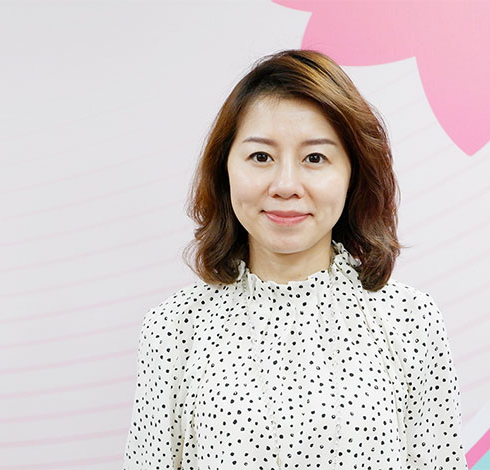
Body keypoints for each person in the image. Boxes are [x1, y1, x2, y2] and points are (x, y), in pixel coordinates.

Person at [123, 49, 467, 470]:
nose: (286, 185)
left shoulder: (409, 320)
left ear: (353, 173)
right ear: (224, 169)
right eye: (261, 157)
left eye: (315, 158)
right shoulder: (174, 329)